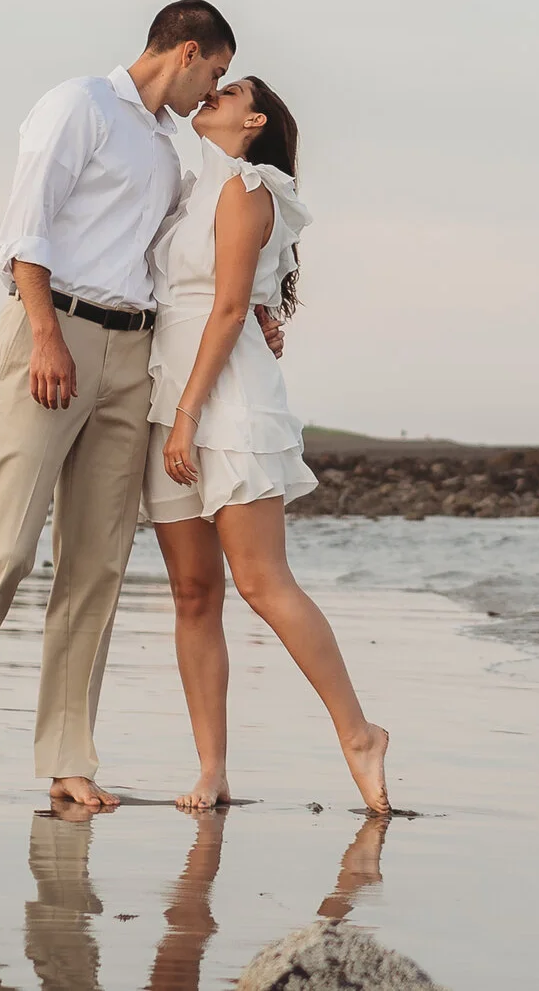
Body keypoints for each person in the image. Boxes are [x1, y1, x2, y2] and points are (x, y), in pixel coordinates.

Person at [0, 0, 280, 809]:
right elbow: (23, 228)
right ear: (186, 51)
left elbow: (212, 246)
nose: (211, 89)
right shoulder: (79, 105)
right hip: (55, 333)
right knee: (1, 545)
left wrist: (269, 305)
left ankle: (69, 756)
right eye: (213, 73)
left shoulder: (171, 149)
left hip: (133, 354)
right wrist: (44, 334)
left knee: (96, 564)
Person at [147, 75, 393, 815]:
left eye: (226, 91)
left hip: (223, 402)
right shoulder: (191, 186)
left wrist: (189, 415)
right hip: (172, 395)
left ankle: (359, 733)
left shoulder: (248, 187)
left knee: (261, 582)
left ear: (252, 119)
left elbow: (228, 309)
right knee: (193, 593)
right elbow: (230, 300)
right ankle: (212, 768)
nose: (209, 94)